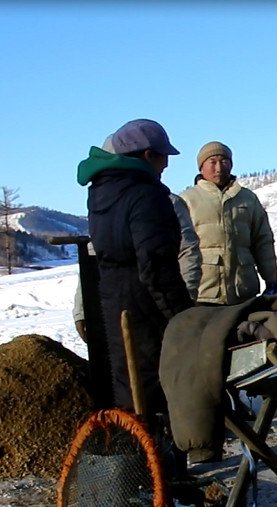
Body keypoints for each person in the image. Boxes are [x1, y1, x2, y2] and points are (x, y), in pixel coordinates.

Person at [77, 119, 194, 411]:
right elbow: (156, 265)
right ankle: (158, 455)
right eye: (163, 155)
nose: (166, 163)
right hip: (145, 308)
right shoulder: (146, 194)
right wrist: (182, 316)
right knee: (157, 390)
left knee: (129, 387)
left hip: (115, 302)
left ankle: (137, 450)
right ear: (147, 155)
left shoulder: (102, 192)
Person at [178, 141, 277, 305]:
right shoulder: (187, 199)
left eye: (224, 161)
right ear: (201, 167)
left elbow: (263, 241)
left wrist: (272, 281)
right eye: (212, 162)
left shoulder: (248, 199)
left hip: (243, 291)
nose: (219, 168)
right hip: (203, 292)